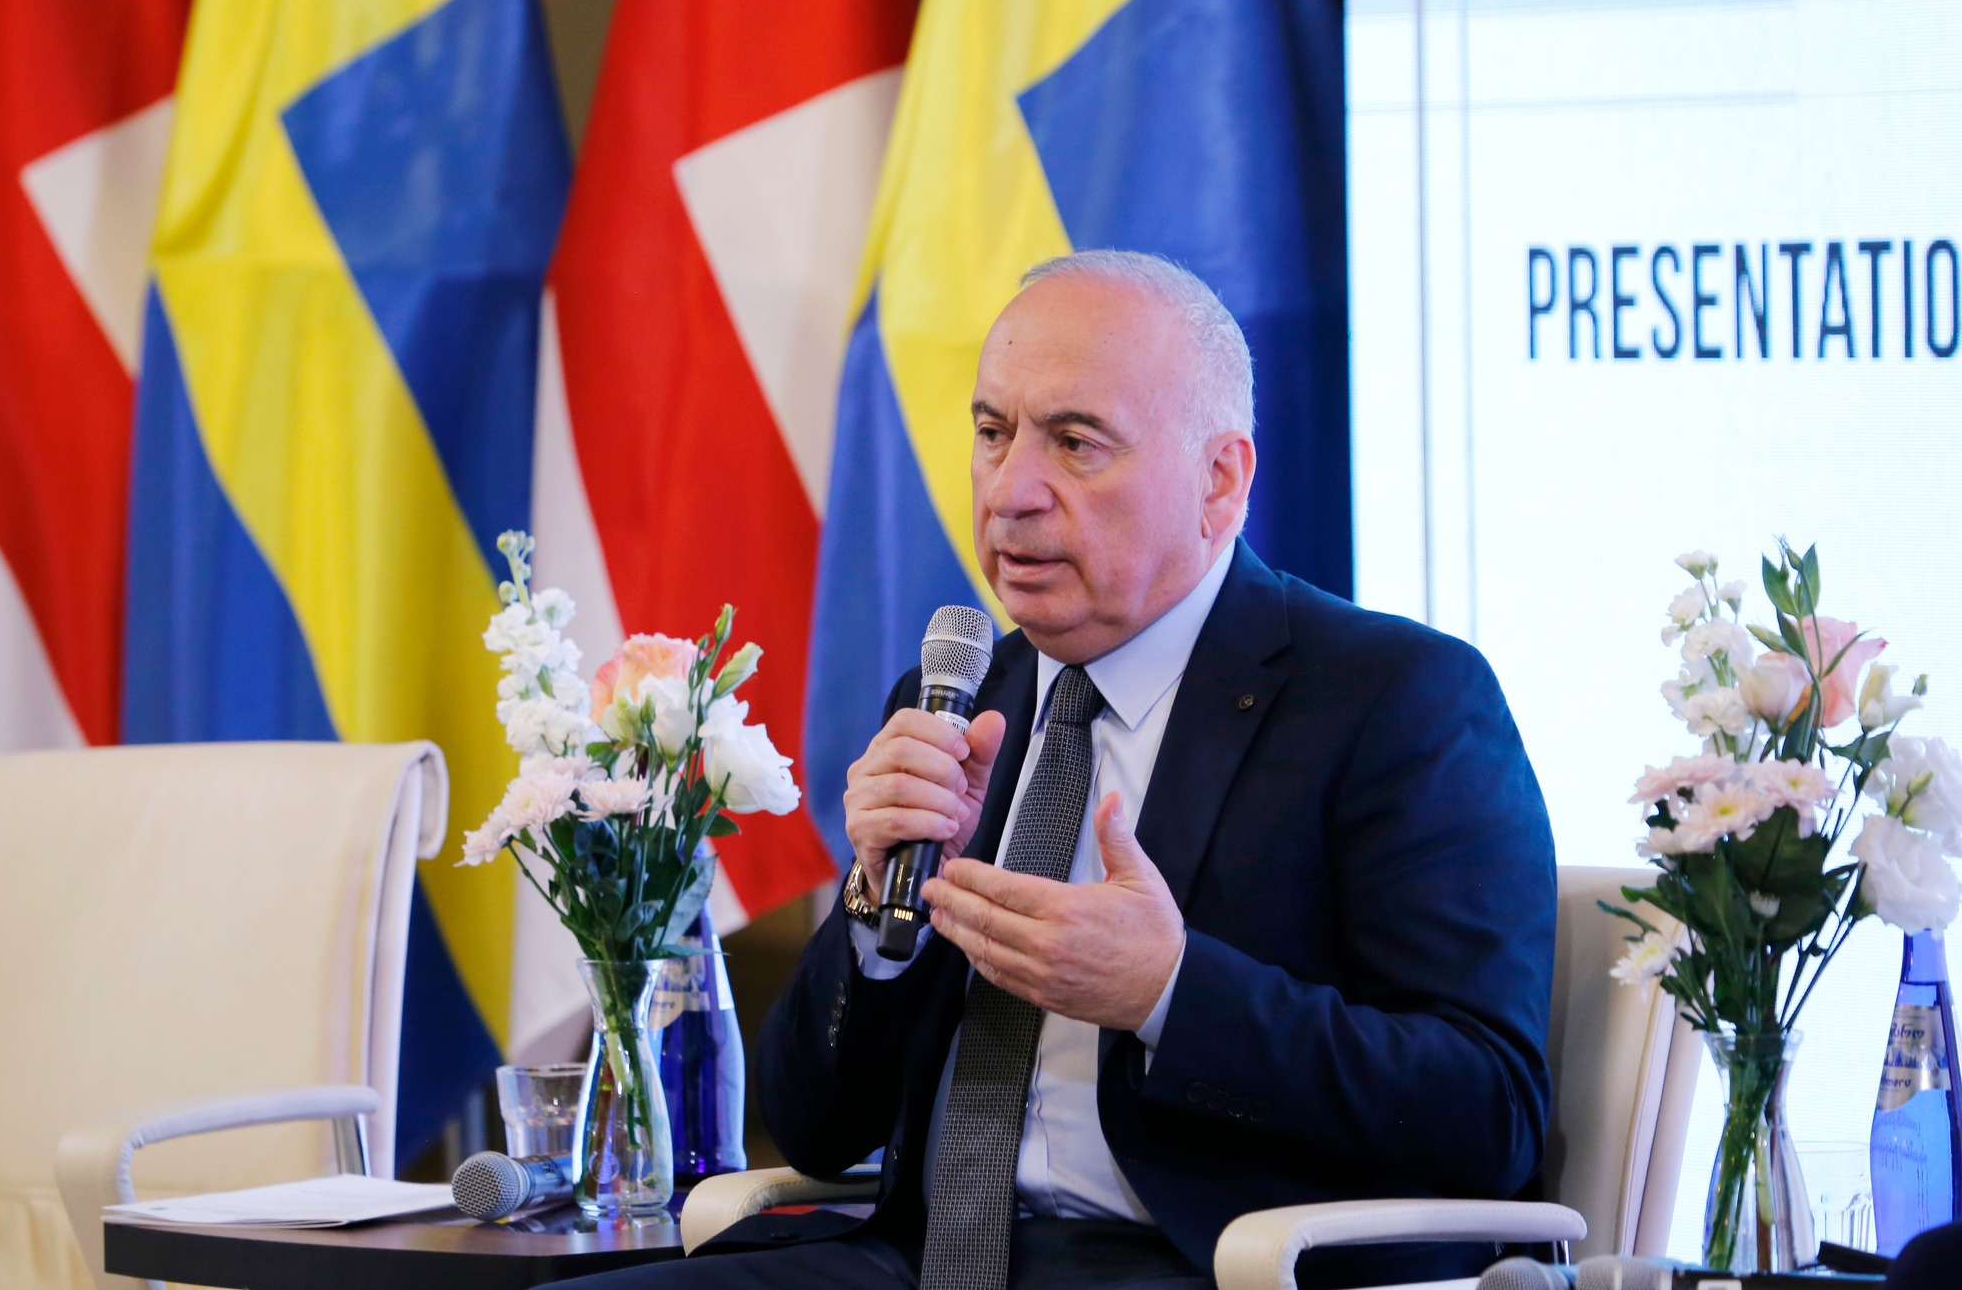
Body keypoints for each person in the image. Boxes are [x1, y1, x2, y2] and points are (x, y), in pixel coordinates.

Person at [550, 250, 1556, 1289]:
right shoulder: (952, 697)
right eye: (993, 433)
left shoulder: (1391, 699)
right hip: (917, 1261)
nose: (1010, 492)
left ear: (1219, 481)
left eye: (1075, 443)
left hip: (1194, 1267)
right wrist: (876, 908)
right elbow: (814, 1128)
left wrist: (1168, 992)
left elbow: (1487, 1114)